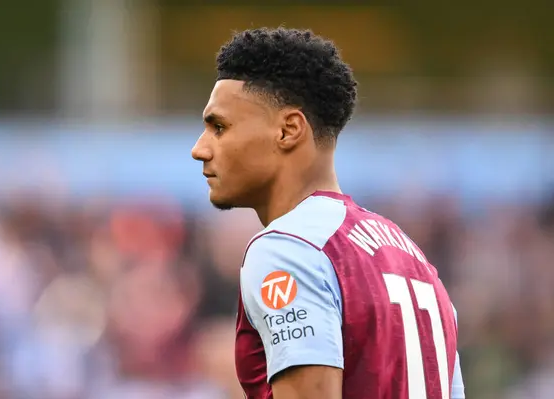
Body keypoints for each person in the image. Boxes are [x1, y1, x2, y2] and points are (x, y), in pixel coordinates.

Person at [191, 27, 465, 399]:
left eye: (219, 127)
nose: (200, 149)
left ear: (289, 130)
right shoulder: (411, 257)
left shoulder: (288, 249)